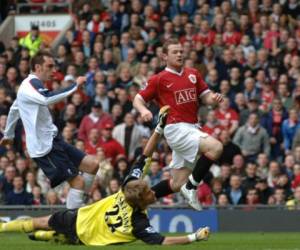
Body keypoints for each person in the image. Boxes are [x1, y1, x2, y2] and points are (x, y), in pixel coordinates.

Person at [0, 106, 210, 246]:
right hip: (86, 238)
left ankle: (8, 229)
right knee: (56, 235)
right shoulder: (137, 223)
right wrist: (195, 236)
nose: (151, 191)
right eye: (149, 191)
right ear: (143, 199)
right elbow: (162, 241)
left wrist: (159, 128)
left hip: (78, 218)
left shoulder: (127, 187)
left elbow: (146, 153)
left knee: (41, 223)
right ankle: (26, 234)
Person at [0, 51, 99, 209]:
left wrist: (8, 134)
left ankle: (78, 202)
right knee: (78, 182)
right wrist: (75, 85)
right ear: (38, 67)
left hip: (54, 139)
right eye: (49, 66)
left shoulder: (30, 87)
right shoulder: (31, 85)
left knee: (93, 165)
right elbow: (48, 98)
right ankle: (72, 225)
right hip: (44, 147)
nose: (54, 70)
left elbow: (14, 109)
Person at [133, 38, 224, 210]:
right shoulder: (159, 79)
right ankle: (191, 187)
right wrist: (144, 111)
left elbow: (206, 97)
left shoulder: (193, 74)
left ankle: (138, 203)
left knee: (176, 183)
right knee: (216, 147)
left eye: (181, 51)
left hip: (192, 127)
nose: (180, 54)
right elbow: (138, 99)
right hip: (176, 128)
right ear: (164, 56)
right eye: (175, 52)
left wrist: (214, 99)